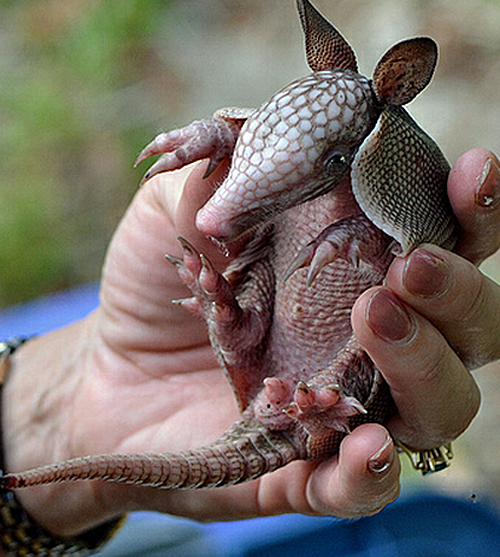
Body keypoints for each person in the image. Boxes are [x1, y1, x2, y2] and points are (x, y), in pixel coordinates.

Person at [1, 147, 499, 554]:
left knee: (365, 329)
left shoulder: (385, 171)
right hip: (289, 368)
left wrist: (60, 418)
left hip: (288, 360)